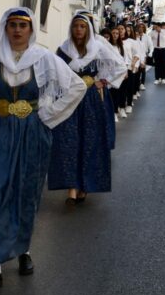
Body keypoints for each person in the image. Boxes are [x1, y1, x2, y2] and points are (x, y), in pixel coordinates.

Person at [0, 7, 87, 288]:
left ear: (31, 29)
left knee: (25, 192)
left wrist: (47, 116)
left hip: (31, 134)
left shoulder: (44, 59)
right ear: (5, 28)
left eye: (23, 25)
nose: (17, 30)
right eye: (12, 24)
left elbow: (76, 86)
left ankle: (23, 250)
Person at [48, 12, 126, 205]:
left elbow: (120, 66)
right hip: (69, 99)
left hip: (90, 99)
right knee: (69, 141)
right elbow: (55, 75)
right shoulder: (63, 50)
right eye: (76, 26)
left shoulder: (97, 48)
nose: (79, 30)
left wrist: (102, 81)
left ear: (88, 29)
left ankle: (85, 185)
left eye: (82, 26)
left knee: (89, 141)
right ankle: (72, 189)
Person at [135, 20, 152, 91]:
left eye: (142, 27)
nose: (141, 28)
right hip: (136, 55)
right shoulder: (135, 36)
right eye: (139, 27)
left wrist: (150, 53)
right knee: (136, 70)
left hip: (144, 55)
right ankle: (137, 84)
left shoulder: (147, 37)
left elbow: (151, 46)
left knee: (143, 69)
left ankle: (142, 84)